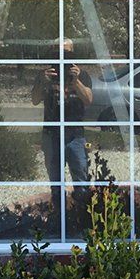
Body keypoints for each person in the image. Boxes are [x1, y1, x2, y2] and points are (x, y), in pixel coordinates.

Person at [31, 39, 93, 209]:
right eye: (58, 53)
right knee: (56, 182)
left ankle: (82, 217)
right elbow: (35, 100)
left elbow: (88, 99)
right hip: (52, 135)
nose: (62, 57)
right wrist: (43, 81)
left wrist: (76, 80)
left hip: (75, 135)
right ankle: (59, 218)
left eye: (66, 53)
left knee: (81, 179)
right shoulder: (45, 74)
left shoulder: (82, 74)